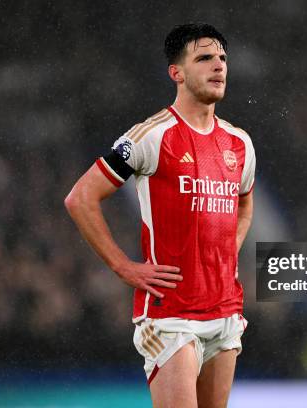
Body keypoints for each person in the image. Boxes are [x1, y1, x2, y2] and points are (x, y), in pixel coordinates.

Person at [65, 23, 255, 408]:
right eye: (204, 58)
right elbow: (80, 198)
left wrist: (227, 253)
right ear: (177, 73)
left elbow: (244, 203)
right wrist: (124, 267)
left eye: (222, 58)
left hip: (225, 311)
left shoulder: (239, 142)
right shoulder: (152, 135)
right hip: (172, 316)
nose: (219, 66)